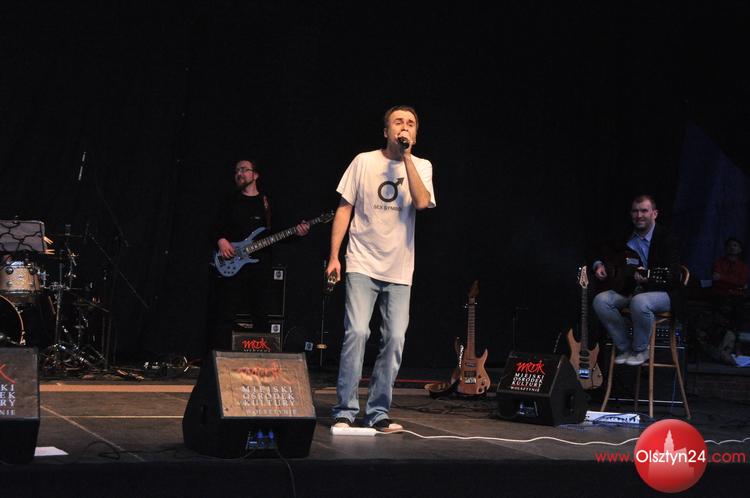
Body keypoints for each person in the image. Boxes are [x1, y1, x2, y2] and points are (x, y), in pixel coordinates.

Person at [326, 105, 436, 432]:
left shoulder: (422, 165)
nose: (405, 127)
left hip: (399, 268)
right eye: (398, 122)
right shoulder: (363, 161)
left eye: (411, 123)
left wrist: (406, 158)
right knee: (358, 332)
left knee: (395, 338)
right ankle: (345, 411)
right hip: (362, 260)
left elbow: (421, 202)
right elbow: (344, 209)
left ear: (415, 134)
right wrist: (334, 256)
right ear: (386, 131)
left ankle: (377, 412)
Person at [208, 159, 309, 351]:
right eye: (236, 171)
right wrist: (221, 241)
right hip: (231, 265)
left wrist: (297, 233)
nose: (239, 173)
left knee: (261, 313)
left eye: (244, 170)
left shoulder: (267, 203)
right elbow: (213, 227)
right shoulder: (229, 201)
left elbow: (277, 233)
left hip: (260, 267)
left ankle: (259, 357)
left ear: (255, 175)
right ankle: (220, 357)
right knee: (225, 314)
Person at [592, 195, 682, 366]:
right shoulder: (626, 235)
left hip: (663, 293)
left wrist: (649, 278)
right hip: (632, 289)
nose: (639, 215)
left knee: (640, 301)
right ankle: (626, 348)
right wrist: (599, 264)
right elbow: (601, 248)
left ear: (654, 214)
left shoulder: (667, 238)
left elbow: (674, 275)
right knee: (601, 300)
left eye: (644, 211)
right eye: (635, 211)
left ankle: (641, 350)